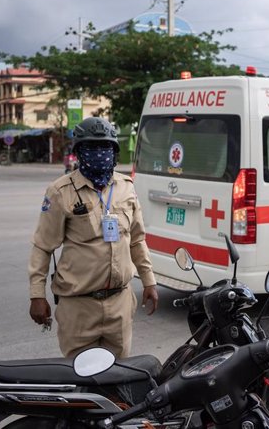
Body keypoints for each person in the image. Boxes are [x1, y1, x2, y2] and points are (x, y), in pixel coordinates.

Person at [28, 117, 159, 358]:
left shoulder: (126, 187)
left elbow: (137, 240)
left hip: (119, 303)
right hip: (79, 306)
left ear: (114, 151)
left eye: (105, 148)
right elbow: (43, 247)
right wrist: (37, 295)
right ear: (79, 152)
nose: (100, 154)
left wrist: (149, 281)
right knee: (82, 380)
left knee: (119, 378)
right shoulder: (59, 192)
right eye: (92, 148)